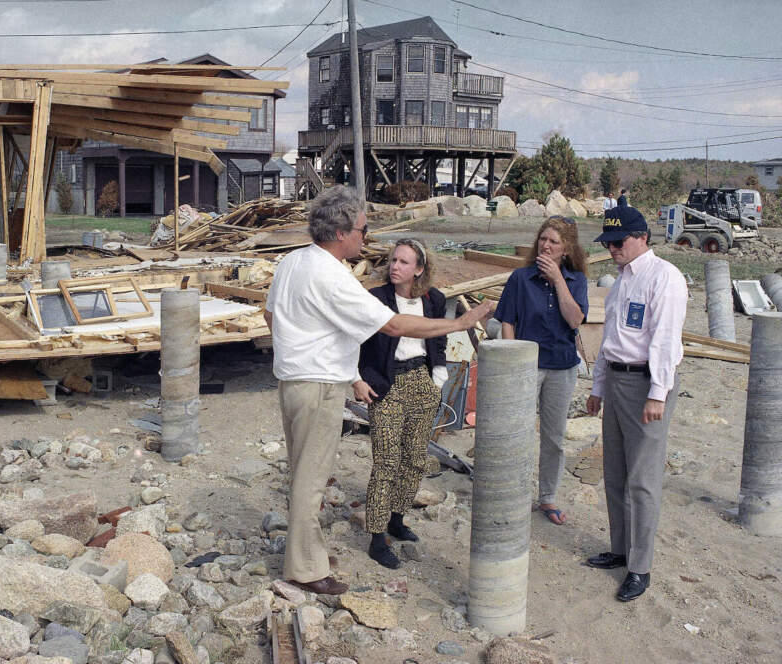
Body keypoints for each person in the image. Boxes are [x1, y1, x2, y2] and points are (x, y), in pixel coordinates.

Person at [265, 186, 492, 594]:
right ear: (340, 233)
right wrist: (459, 324)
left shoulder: (293, 261)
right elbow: (393, 325)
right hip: (317, 385)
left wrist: (296, 347)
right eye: (362, 231)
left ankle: (305, 554)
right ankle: (305, 569)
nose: (365, 239)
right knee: (310, 479)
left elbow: (269, 314)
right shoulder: (330, 274)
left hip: (294, 380)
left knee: (304, 472)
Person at [584, 205, 687, 602]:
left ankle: (640, 568)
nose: (612, 249)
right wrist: (598, 387)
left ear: (642, 237)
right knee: (615, 472)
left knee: (642, 480)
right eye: (608, 243)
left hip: (647, 383)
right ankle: (620, 548)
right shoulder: (623, 280)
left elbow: (664, 339)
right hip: (618, 381)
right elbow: (611, 339)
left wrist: (658, 392)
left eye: (618, 241)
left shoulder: (665, 279)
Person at [353, 238, 448, 570]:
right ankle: (377, 538)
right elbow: (353, 339)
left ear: (419, 269)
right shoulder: (375, 299)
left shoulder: (434, 299)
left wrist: (438, 375)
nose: (395, 266)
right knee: (386, 462)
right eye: (393, 260)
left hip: (422, 381)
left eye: (404, 262)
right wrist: (356, 378)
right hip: (386, 384)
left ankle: (397, 518)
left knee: (415, 459)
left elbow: (438, 336)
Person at [495, 216, 588, 526]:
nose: (546, 246)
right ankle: (512, 493)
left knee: (554, 438)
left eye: (554, 242)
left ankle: (547, 497)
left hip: (562, 367)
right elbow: (507, 321)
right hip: (526, 367)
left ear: (567, 249)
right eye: (543, 239)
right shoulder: (521, 278)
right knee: (517, 432)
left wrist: (559, 281)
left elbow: (575, 320)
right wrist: (510, 364)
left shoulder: (576, 281)